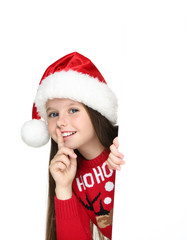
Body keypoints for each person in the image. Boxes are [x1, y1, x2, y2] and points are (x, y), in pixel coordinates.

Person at [21, 52, 125, 240]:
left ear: (96, 110)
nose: (61, 121)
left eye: (73, 110)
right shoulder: (69, 174)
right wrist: (63, 190)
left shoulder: (123, 147)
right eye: (53, 114)